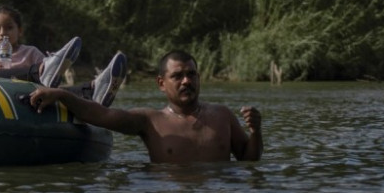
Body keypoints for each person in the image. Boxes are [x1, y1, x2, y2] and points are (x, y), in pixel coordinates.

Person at [29, 50, 262, 163]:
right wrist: (62, 94)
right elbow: (101, 114)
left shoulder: (221, 115)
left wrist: (256, 131)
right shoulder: (150, 121)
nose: (186, 81)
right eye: (178, 76)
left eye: (192, 75)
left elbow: (248, 159)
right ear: (161, 83)